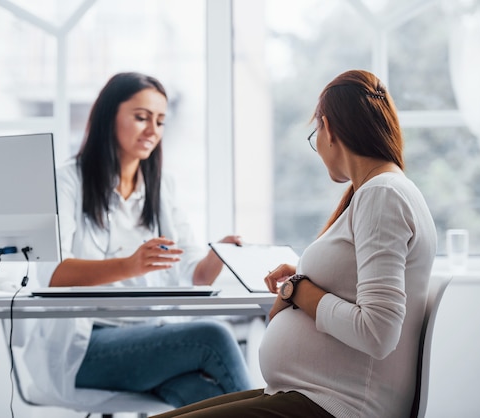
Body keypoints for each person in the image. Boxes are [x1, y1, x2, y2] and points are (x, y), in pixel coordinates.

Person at [152, 69, 437, 418]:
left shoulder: (383, 195)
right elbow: (355, 287)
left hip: (335, 407)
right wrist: (302, 277)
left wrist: (298, 291)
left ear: (329, 128)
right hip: (308, 396)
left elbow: (377, 333)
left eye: (314, 132)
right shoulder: (378, 193)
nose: (317, 145)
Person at [22, 72, 252, 409]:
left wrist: (217, 256)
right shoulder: (68, 182)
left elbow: (194, 275)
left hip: (151, 336)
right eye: (141, 117)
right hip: (86, 345)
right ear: (108, 116)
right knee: (212, 336)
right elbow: (52, 274)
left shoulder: (161, 188)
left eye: (160, 121)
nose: (152, 131)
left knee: (203, 397)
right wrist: (130, 265)